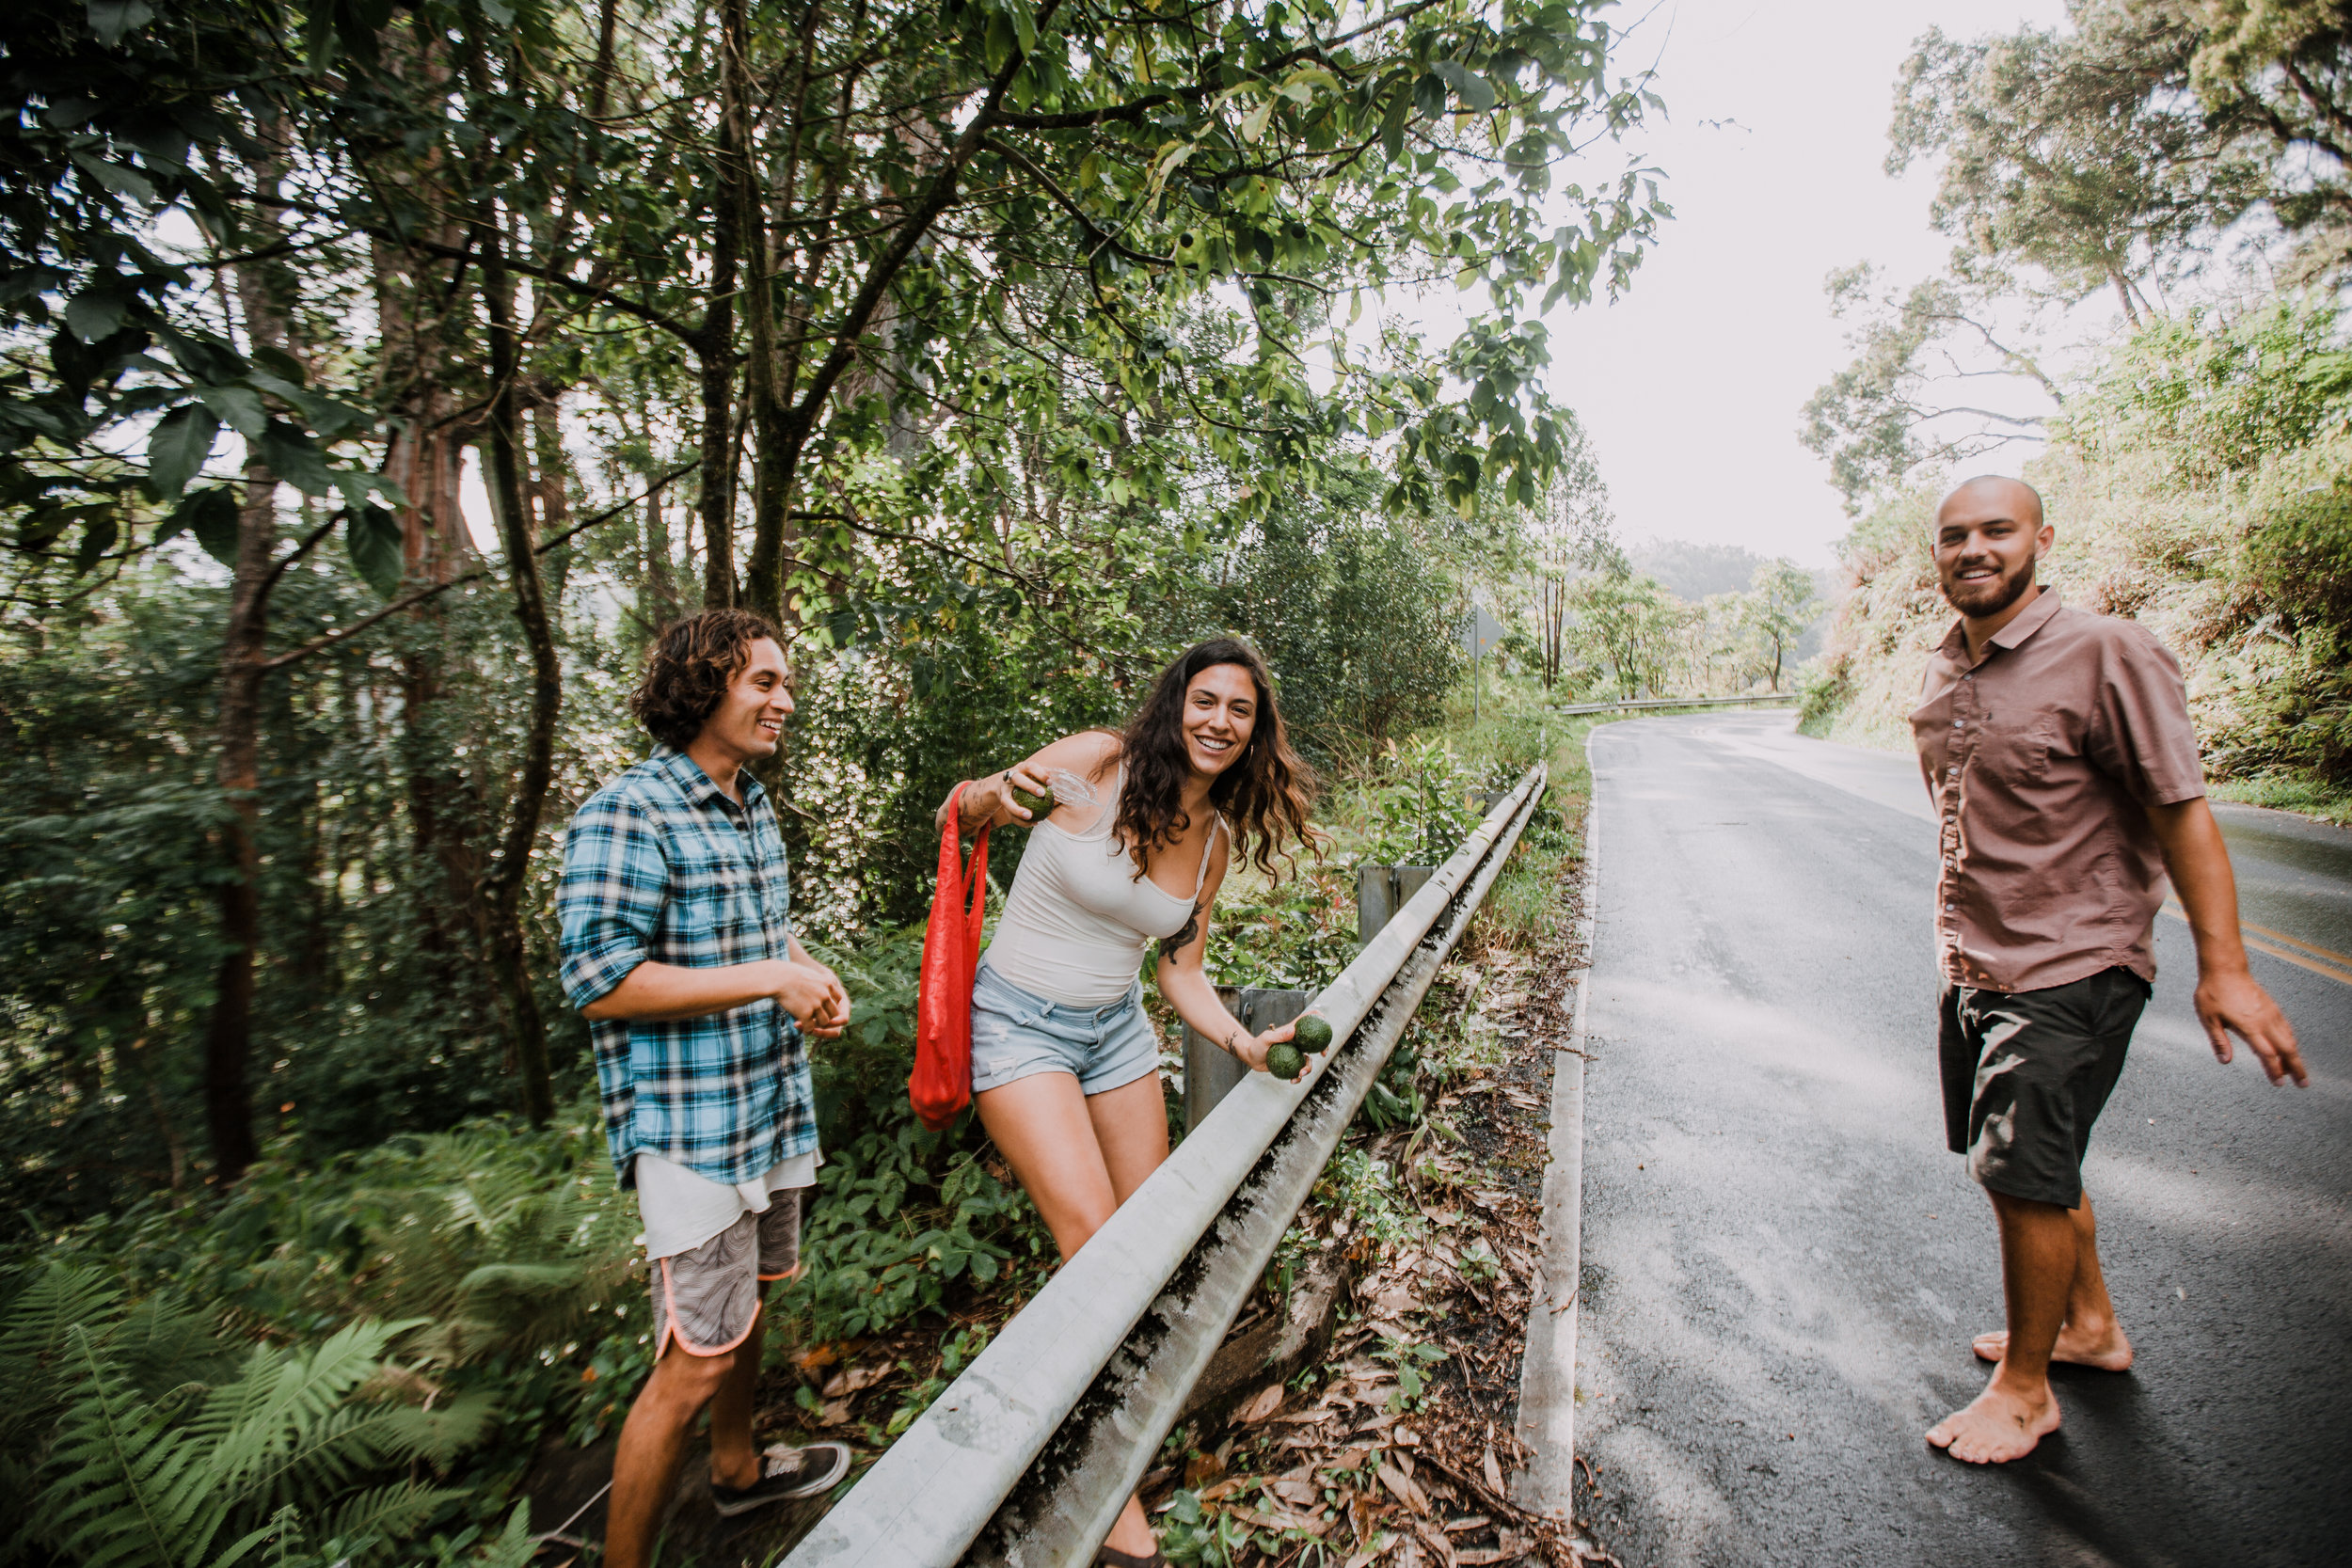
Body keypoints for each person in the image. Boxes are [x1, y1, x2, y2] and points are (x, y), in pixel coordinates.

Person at [1915, 476, 2308, 1465]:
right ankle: (2088, 1326)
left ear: (2039, 538)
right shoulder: (1943, 666)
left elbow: (2180, 806)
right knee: (2028, 1165)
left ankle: (2025, 1390)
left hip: (2073, 963)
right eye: (1953, 534)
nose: (1973, 548)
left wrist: (2226, 967)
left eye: (1995, 530)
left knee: (2019, 1167)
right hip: (1977, 959)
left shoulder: (2105, 651)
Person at [934, 637, 1321, 1567]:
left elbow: (1179, 972)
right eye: (1205, 699)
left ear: (1256, 731)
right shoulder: (1095, 763)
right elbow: (967, 806)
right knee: (1095, 1240)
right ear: (1174, 702)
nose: (1218, 720)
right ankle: (1112, 1510)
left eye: (1239, 709)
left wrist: (1239, 1039)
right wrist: (984, 799)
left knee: (1148, 1249)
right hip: (1017, 1024)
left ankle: (1104, 1427)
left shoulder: (1215, 841)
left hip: (1113, 1031)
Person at [557, 610, 855, 1566]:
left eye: (786, 683)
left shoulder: (748, 802)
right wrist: (773, 978)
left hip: (765, 1104)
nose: (784, 699)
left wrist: (805, 974)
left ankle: (735, 1471)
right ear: (703, 687)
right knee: (693, 1361)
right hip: (689, 1130)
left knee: (752, 1303)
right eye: (763, 681)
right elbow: (599, 981)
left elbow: (761, 935)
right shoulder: (627, 810)